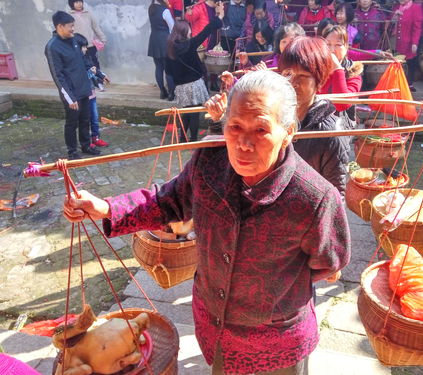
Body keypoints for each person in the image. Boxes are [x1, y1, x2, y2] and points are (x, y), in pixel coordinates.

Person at [63, 70, 351, 375]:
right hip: (216, 330)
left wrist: (271, 293)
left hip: (276, 344)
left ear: (288, 131)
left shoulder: (315, 198)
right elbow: (168, 200)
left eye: (261, 130)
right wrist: (106, 207)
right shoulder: (209, 163)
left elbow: (327, 263)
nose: (243, 143)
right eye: (235, 126)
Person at [279, 36, 351, 194]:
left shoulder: (330, 132)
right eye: (287, 73)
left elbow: (337, 194)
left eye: (303, 76)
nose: (293, 82)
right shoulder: (275, 121)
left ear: (319, 82)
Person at [45, 11, 100, 160]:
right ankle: (72, 151)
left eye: (73, 26)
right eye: (71, 26)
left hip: (83, 88)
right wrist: (69, 98)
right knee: (72, 122)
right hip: (70, 93)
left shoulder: (74, 40)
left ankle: (86, 145)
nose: (73, 29)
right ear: (60, 26)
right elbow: (58, 75)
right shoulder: (52, 47)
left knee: (85, 119)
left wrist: (95, 72)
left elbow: (83, 60)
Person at [167, 3, 225, 142]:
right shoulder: (190, 44)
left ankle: (182, 138)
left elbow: (168, 71)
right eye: (188, 30)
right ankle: (193, 139)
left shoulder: (170, 49)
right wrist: (220, 17)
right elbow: (207, 30)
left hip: (181, 86)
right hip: (194, 84)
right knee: (194, 114)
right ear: (183, 32)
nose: (190, 32)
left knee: (185, 112)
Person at [319, 24, 363, 124]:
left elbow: (341, 105)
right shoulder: (315, 69)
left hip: (340, 128)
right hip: (315, 124)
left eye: (338, 45)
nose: (332, 50)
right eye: (328, 45)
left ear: (346, 47)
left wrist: (338, 69)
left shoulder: (353, 73)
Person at [74, 33, 110, 148]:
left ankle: (96, 137)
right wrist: (91, 73)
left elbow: (93, 68)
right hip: (82, 96)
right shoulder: (74, 63)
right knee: (85, 120)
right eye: (83, 47)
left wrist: (102, 75)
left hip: (91, 94)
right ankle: (86, 140)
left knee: (94, 118)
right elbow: (81, 77)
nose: (85, 49)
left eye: (85, 46)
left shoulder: (86, 57)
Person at [391, 0, 423, 91]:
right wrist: (394, 17)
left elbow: (417, 28)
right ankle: (395, 84)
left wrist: (414, 43)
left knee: (409, 64)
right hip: (395, 41)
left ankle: (408, 84)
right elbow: (390, 24)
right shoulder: (396, 7)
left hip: (408, 42)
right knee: (396, 63)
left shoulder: (416, 8)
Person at [148, 0, 176, 101]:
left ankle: (162, 92)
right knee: (168, 69)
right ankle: (171, 93)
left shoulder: (151, 8)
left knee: (158, 67)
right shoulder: (165, 11)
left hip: (154, 40)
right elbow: (172, 27)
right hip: (165, 40)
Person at [68, 0, 106, 70]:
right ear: (72, 4)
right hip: (78, 46)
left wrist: (103, 39)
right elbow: (69, 31)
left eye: (80, 2)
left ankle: (98, 80)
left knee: (94, 63)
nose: (79, 4)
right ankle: (86, 80)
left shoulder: (88, 13)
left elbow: (96, 27)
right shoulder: (69, 15)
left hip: (91, 45)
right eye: (76, 2)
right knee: (81, 65)